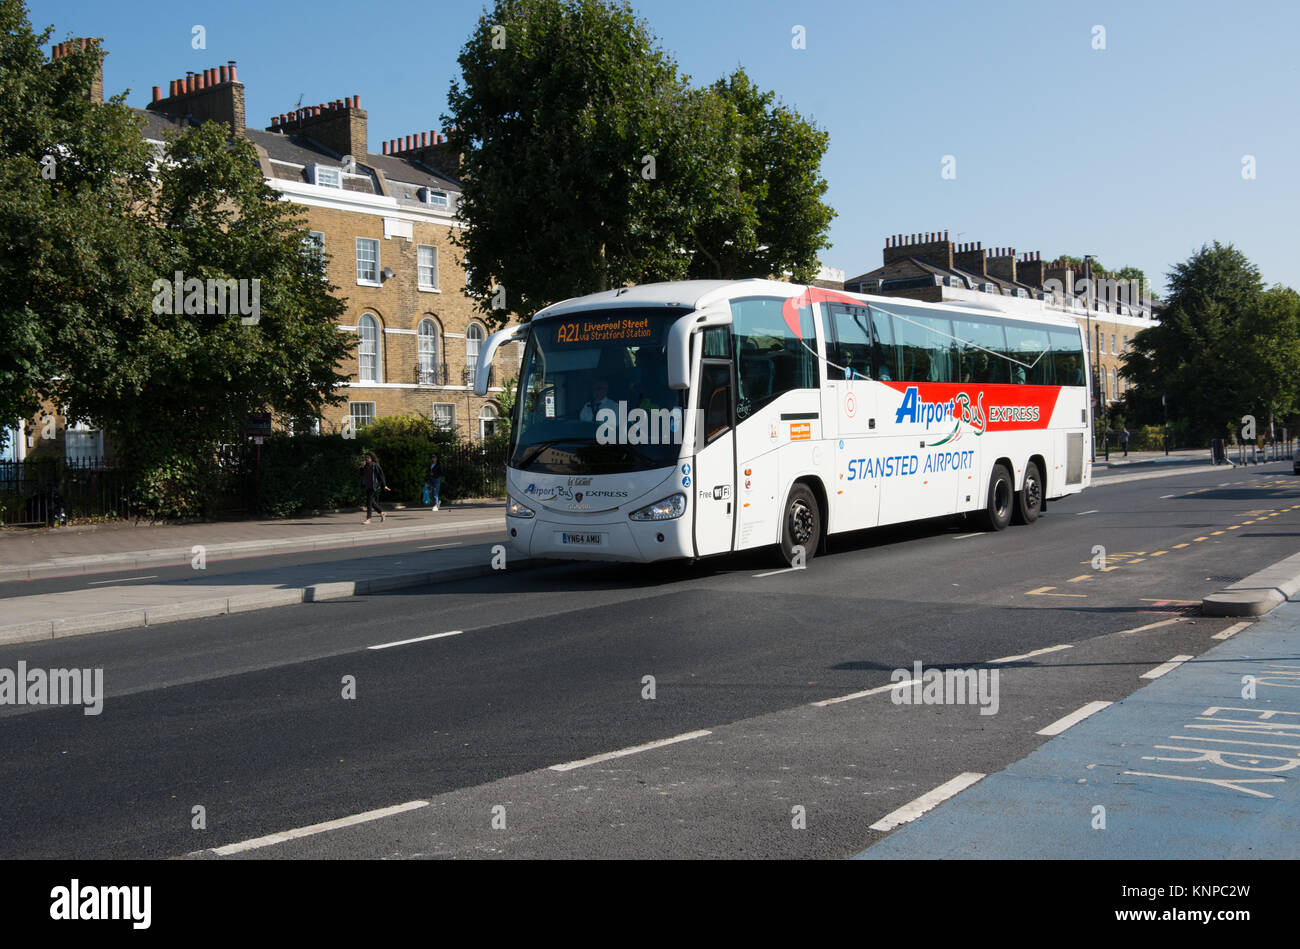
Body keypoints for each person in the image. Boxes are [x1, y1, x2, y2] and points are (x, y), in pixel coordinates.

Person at [360, 452, 390, 524]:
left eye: (368, 458)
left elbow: (381, 476)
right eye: (366, 458)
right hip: (367, 486)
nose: (366, 459)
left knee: (369, 502)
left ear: (371, 458)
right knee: (372, 502)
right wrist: (362, 467)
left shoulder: (375, 466)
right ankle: (382, 512)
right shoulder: (365, 466)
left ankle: (368, 519)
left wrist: (384, 485)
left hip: (374, 486)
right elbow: (361, 474)